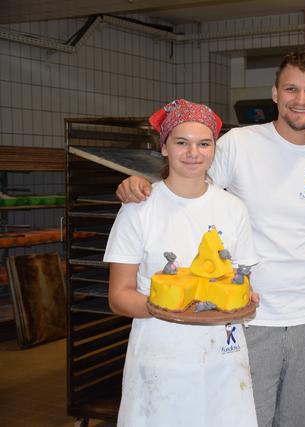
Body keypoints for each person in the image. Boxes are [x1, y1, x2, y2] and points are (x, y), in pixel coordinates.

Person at [115, 53, 305, 427]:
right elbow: (192, 188)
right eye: (291, 88)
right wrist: (139, 185)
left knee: (302, 420)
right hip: (246, 315)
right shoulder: (239, 144)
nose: (300, 98)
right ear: (275, 93)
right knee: (246, 417)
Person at [104, 99, 259, 426]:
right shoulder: (139, 208)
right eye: (182, 142)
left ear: (214, 149)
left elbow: (240, 282)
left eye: (204, 144)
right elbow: (118, 296)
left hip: (222, 358)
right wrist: (166, 306)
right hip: (161, 357)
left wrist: (245, 297)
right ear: (164, 148)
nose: (194, 152)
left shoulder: (234, 209)